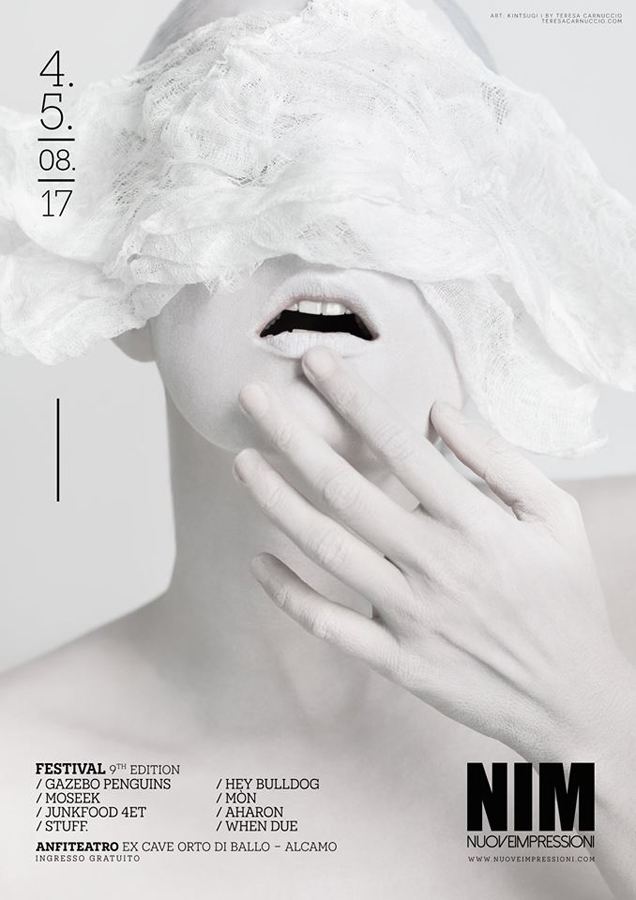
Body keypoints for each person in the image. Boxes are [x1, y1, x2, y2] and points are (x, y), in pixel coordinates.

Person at [1, 2, 635, 898]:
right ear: (117, 275)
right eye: (240, 149)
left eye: (407, 154)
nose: (324, 216)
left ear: (503, 284)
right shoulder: (26, 803)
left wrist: (593, 723)